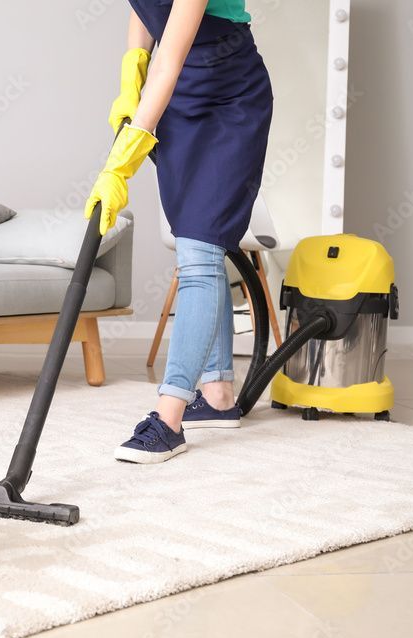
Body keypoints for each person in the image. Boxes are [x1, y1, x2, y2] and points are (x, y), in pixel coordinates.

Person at [85, 0, 273, 464]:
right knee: (197, 246)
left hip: (229, 96)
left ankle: (168, 419)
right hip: (178, 99)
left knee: (201, 251)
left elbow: (169, 60)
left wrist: (120, 165)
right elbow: (144, 10)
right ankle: (219, 395)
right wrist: (132, 70)